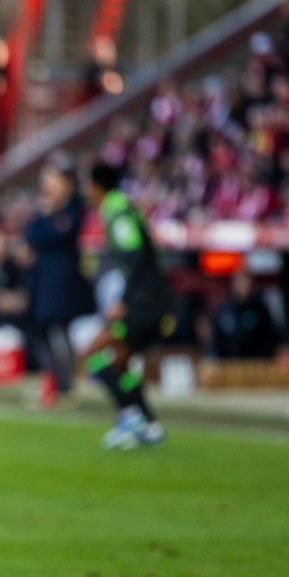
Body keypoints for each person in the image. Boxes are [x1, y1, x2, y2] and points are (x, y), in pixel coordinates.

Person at [81, 163, 174, 450]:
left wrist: (124, 300)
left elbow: (135, 257)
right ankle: (148, 424)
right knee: (122, 361)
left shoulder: (117, 212)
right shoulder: (121, 208)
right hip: (154, 300)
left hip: (144, 302)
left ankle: (130, 417)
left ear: (97, 186)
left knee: (95, 354)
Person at [22, 155, 94, 405]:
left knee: (60, 330)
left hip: (63, 279)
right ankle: (52, 382)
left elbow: (55, 235)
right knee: (41, 329)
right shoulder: (45, 209)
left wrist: (47, 222)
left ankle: (65, 385)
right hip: (44, 279)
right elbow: (32, 234)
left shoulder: (72, 208)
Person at [212, 270, 281, 358]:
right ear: (234, 283)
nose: (244, 285)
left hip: (255, 365)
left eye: (246, 281)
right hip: (229, 365)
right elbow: (218, 341)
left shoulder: (260, 310)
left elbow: (269, 340)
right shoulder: (224, 310)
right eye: (240, 281)